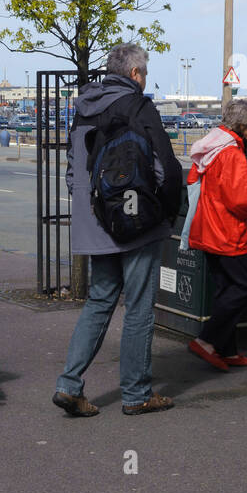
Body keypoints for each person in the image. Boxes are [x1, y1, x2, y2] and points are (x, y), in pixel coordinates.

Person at [52, 43, 183, 417]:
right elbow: (165, 168)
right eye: (145, 73)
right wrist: (166, 212)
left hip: (97, 221)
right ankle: (137, 393)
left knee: (100, 300)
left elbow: (74, 170)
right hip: (138, 220)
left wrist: (95, 211)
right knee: (139, 307)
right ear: (135, 74)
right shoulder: (139, 106)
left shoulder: (83, 107)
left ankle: (69, 384)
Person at [186, 98, 247, 372]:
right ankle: (206, 341)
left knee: (225, 288)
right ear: (243, 126)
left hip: (208, 227)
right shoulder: (232, 153)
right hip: (227, 232)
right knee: (245, 286)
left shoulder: (213, 146)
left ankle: (227, 349)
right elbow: (242, 200)